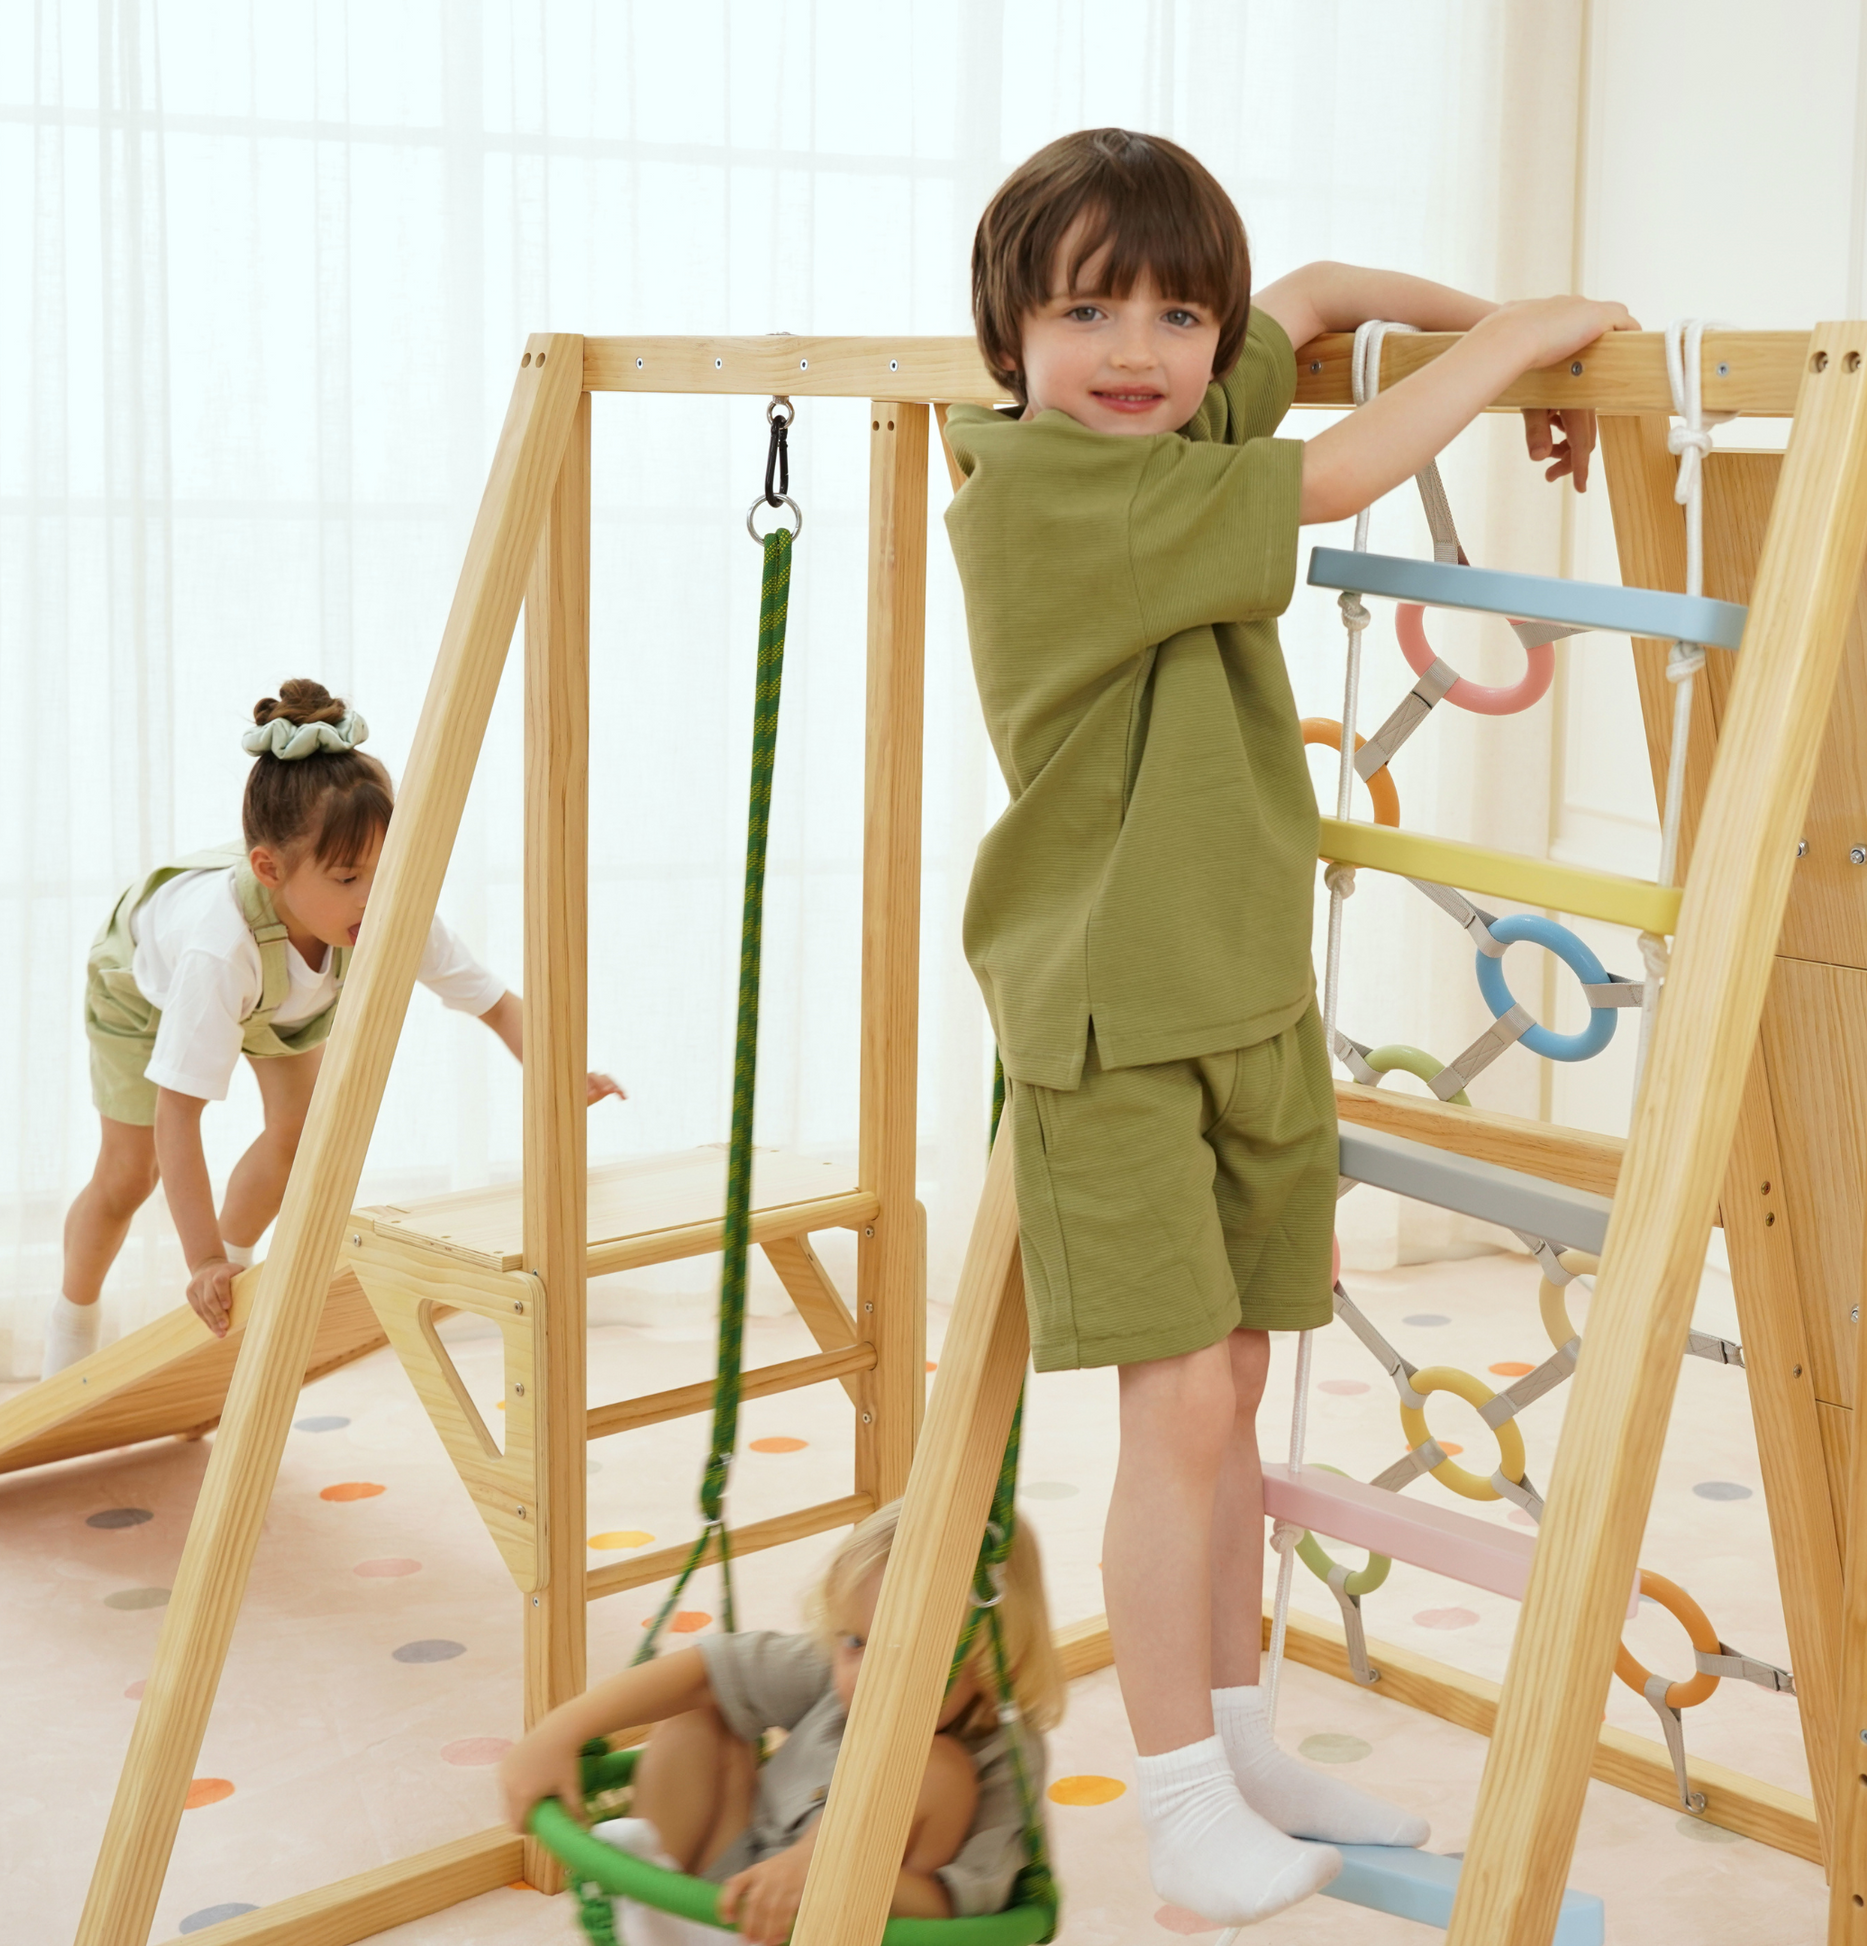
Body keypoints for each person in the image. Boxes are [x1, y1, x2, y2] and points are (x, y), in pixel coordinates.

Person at [942, 128, 1636, 1927]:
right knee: (1178, 1401)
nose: (1138, 351)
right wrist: (1522, 345)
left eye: (1177, 317)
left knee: (1237, 1383)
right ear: (1008, 336)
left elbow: (1315, 297)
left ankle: (1238, 1742)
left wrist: (1516, 341)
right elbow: (1332, 471)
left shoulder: (1173, 428)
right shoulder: (1040, 485)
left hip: (1242, 988)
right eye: (1086, 312)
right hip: (1111, 1010)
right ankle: (1178, 1800)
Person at [44, 677, 623, 1377]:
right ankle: (69, 1333)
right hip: (145, 986)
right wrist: (196, 1260)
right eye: (349, 878)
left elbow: (495, 1004)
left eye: (387, 869)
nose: (375, 897)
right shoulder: (218, 951)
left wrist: (561, 1073)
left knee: (301, 1134)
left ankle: (229, 1286)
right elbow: (179, 1114)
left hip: (276, 986)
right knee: (128, 1177)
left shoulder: (382, 909)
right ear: (270, 869)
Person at [499, 1499, 1063, 1946]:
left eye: (911, 1653)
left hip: (848, 1927)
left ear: (994, 1661)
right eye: (855, 1641)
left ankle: (700, 1913)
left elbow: (957, 1906)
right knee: (702, 1714)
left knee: (933, 1765)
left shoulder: (1007, 1755)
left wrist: (827, 1872)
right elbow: (708, 1672)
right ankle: (652, 1906)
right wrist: (560, 1730)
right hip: (725, 1893)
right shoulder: (833, 1674)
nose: (868, 1674)